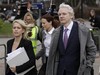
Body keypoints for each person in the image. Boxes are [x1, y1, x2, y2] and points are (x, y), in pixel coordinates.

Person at [46, 3, 97, 75]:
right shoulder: (56, 33)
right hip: (60, 71)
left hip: (78, 71)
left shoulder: (83, 30)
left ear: (71, 15)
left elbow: (92, 49)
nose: (61, 16)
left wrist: (87, 66)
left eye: (64, 14)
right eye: (59, 14)